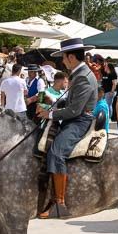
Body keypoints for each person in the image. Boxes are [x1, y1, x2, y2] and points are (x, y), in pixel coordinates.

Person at [37, 38, 100, 219]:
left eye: (63, 58)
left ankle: (59, 203)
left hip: (80, 120)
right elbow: (72, 101)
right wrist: (53, 104)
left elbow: (75, 110)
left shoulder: (82, 77)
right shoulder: (78, 74)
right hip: (76, 116)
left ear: (71, 57)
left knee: (56, 152)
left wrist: (49, 114)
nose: (62, 62)